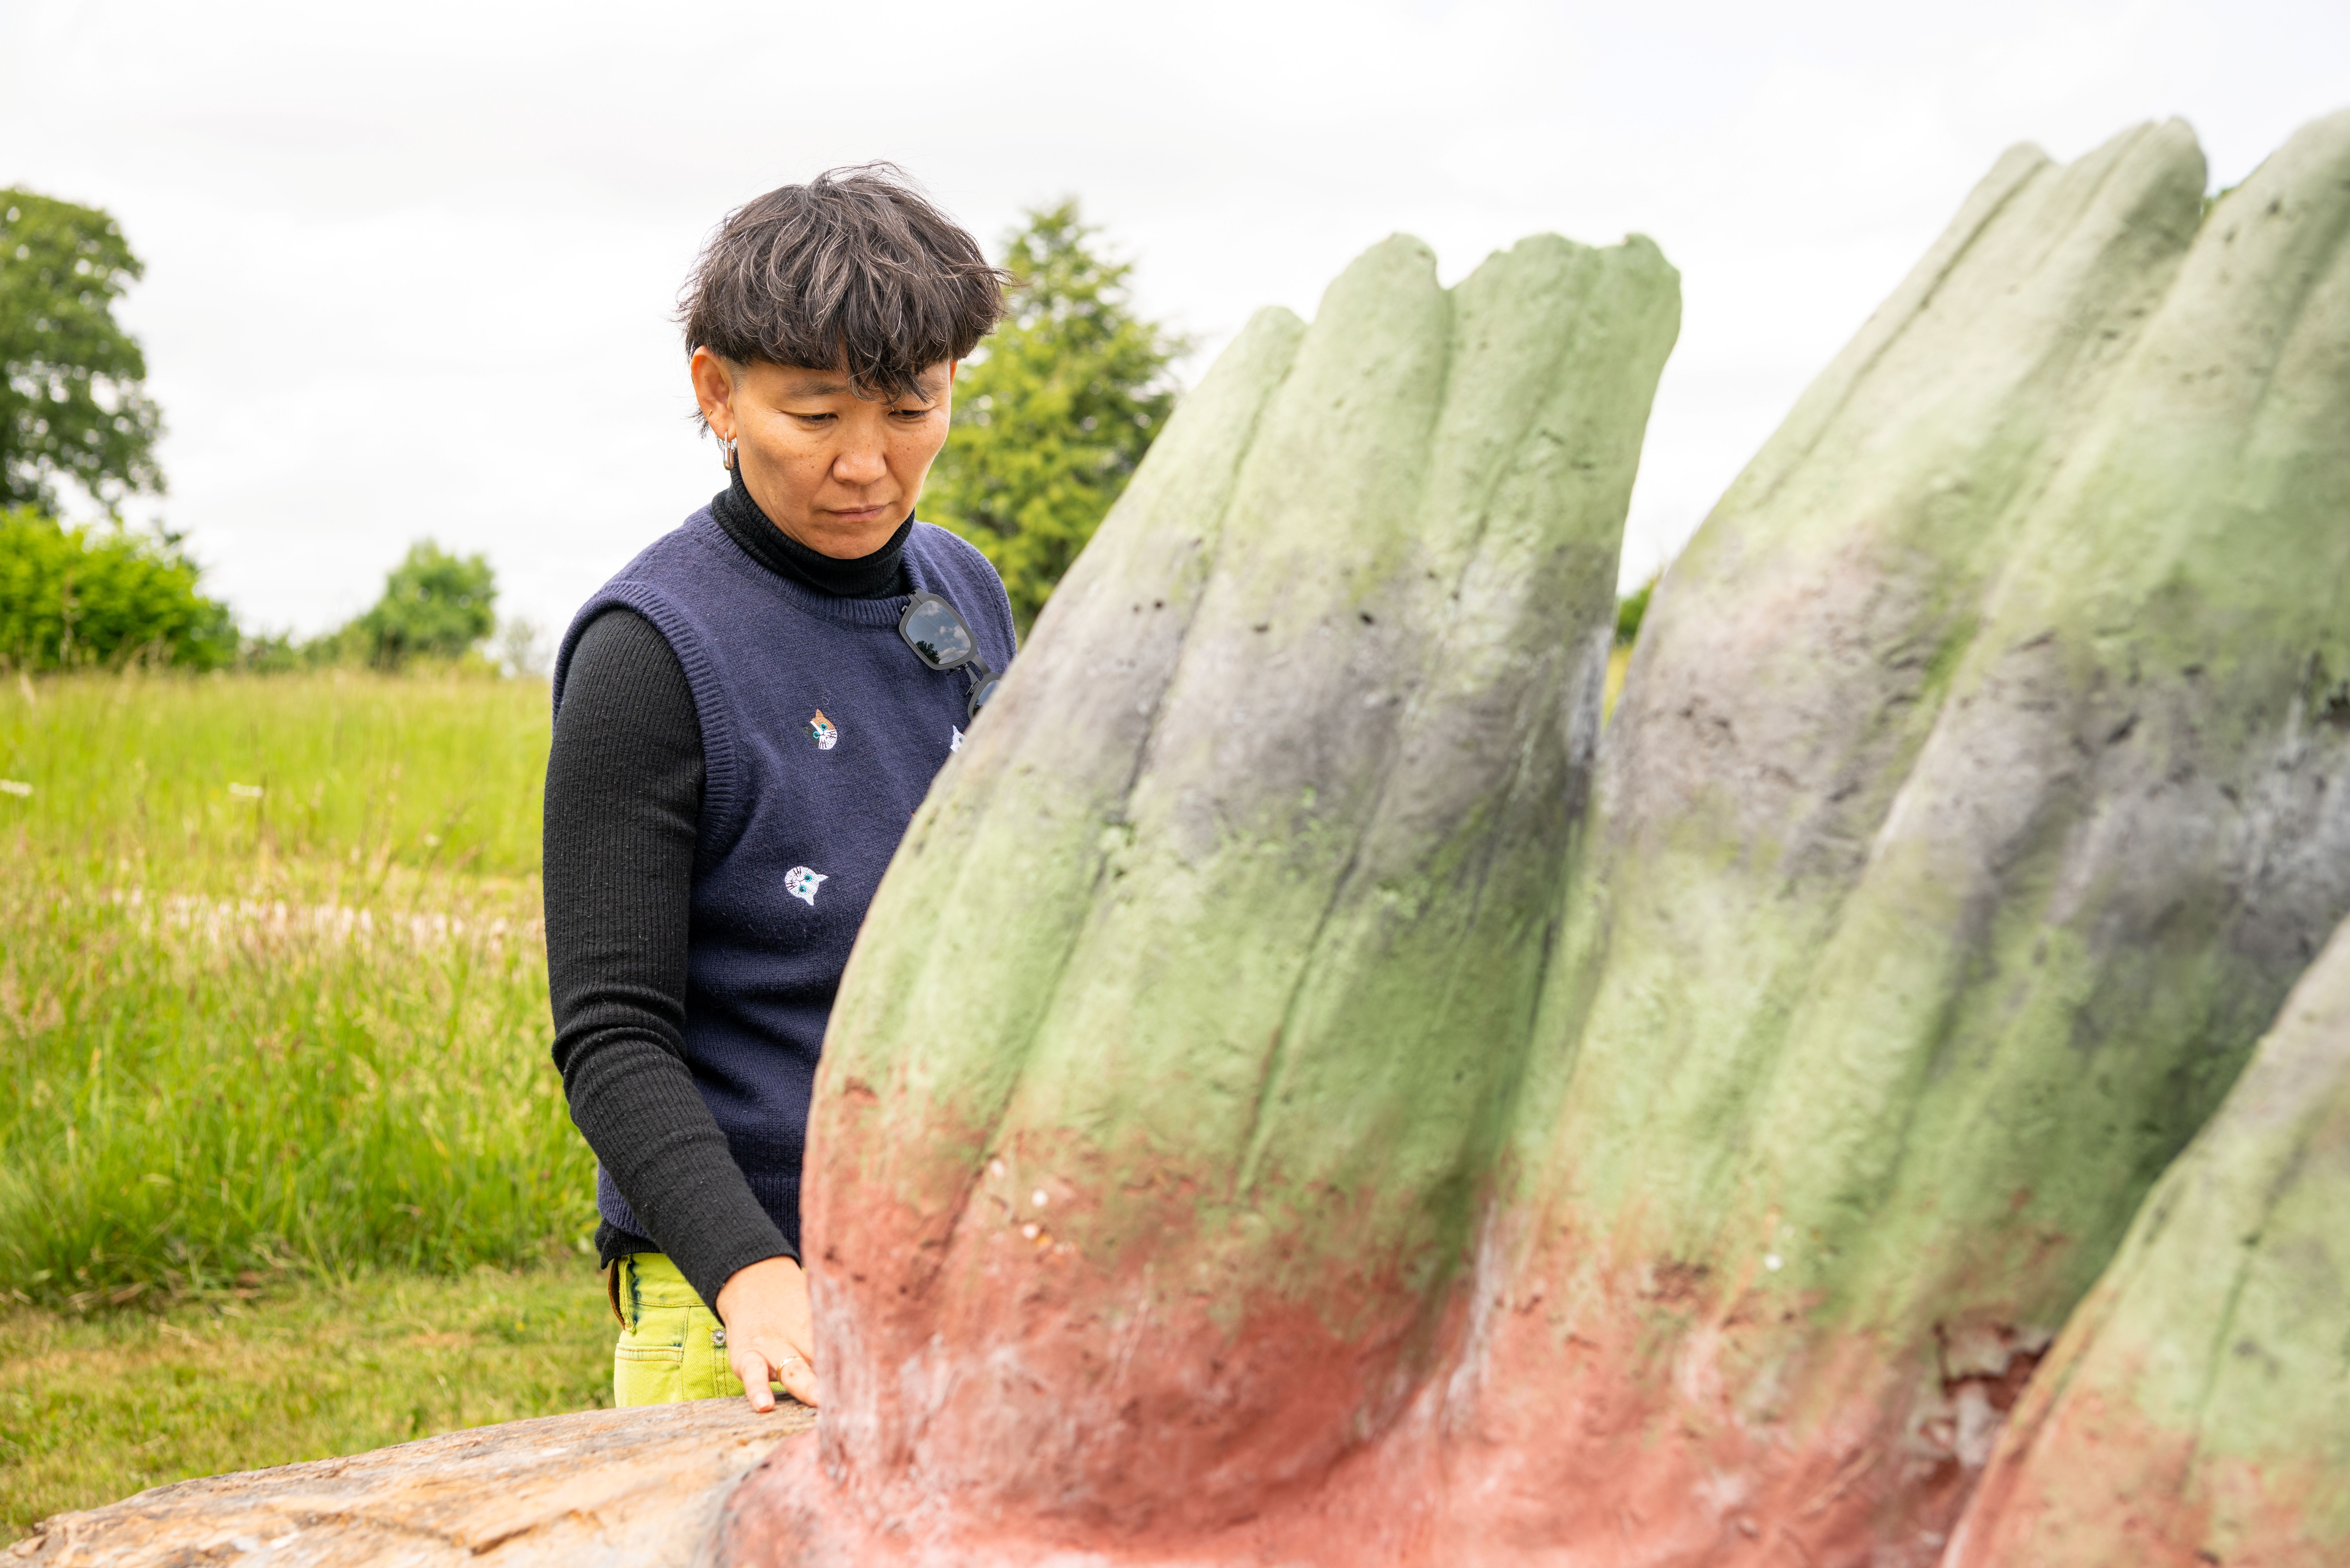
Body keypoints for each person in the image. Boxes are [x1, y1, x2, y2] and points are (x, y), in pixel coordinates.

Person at [543, 166, 1014, 1413]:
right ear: (719, 394)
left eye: (910, 408)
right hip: (744, 1310)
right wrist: (750, 1273)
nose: (866, 463)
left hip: (962, 1275)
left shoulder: (968, 594)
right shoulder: (650, 651)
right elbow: (613, 1034)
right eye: (814, 416)